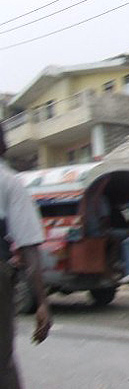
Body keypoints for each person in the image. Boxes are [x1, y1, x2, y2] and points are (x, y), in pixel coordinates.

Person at [0, 125, 51, 389]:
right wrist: (42, 301)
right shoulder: (8, 182)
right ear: (3, 146)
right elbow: (29, 244)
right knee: (2, 363)